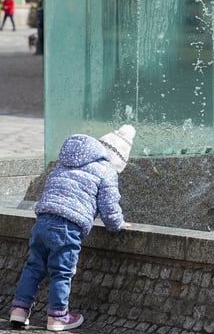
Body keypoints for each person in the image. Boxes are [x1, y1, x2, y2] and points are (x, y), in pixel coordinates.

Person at [9, 125, 136, 331]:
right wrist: (117, 225)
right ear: (117, 159)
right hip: (67, 227)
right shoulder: (106, 171)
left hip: (42, 220)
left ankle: (19, 311)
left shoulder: (65, 163)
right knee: (61, 272)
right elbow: (109, 205)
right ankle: (58, 317)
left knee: (34, 267)